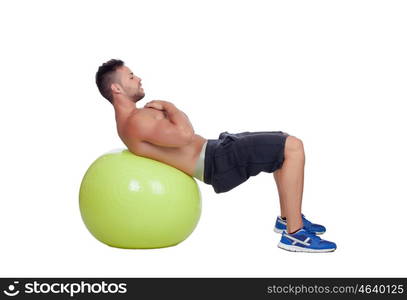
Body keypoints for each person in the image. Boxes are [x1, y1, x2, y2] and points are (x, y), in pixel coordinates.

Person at [95, 59, 337, 253]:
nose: (138, 78)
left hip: (216, 150)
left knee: (283, 142)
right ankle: (294, 234)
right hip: (216, 161)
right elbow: (185, 135)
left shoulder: (128, 123)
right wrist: (170, 106)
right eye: (130, 76)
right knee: (292, 146)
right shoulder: (136, 120)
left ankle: (288, 219)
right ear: (116, 88)